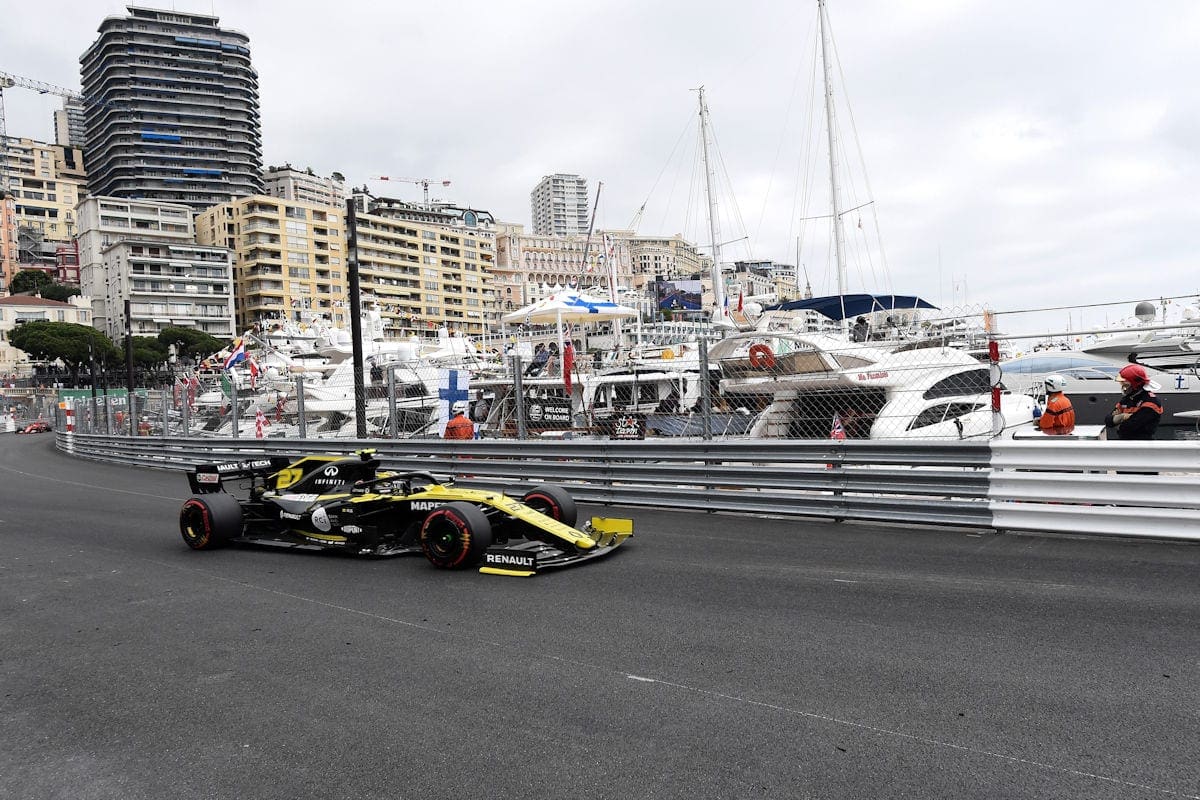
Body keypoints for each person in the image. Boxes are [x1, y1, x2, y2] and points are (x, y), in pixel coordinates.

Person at [1104, 364, 1163, 440]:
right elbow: (1108, 420)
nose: (1122, 386)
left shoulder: (1151, 402)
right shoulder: (1126, 399)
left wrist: (1117, 421)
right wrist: (1123, 417)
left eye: (1125, 383)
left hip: (1143, 445)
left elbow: (1129, 428)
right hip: (1124, 443)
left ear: (1134, 384)